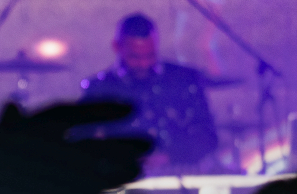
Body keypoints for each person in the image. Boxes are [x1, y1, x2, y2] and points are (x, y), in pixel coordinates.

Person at [80, 13, 217, 172]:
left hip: (181, 174)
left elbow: (207, 136)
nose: (144, 63)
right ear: (117, 47)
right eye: (135, 57)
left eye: (150, 55)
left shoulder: (184, 79)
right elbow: (83, 142)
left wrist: (169, 156)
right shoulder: (98, 89)